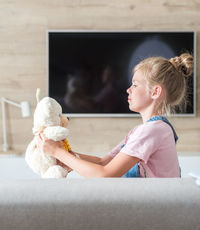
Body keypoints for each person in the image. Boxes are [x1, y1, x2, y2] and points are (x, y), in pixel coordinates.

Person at [37, 53, 193, 178]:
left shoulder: (152, 131)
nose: (128, 90)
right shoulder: (146, 130)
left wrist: (58, 152)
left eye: (135, 84)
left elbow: (105, 174)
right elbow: (103, 162)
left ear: (155, 92)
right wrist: (67, 156)